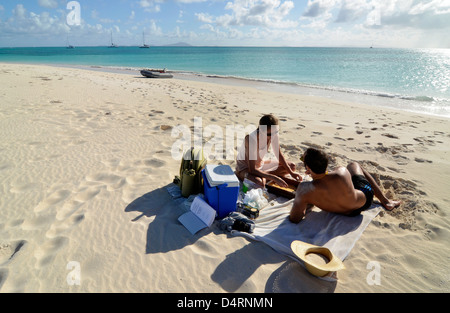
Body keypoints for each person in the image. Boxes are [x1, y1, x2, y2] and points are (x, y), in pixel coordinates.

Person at [289, 148, 402, 223]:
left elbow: (295, 218)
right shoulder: (341, 172)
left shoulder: (304, 189)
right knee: (353, 165)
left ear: (308, 168)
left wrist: (303, 200)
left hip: (337, 210)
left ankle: (386, 201)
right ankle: (385, 201)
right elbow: (329, 181)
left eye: (302, 159)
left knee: (353, 167)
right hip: (361, 204)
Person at [235, 114, 301, 188]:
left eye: (276, 132)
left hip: (260, 164)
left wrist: (291, 173)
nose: (273, 136)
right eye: (269, 134)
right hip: (246, 169)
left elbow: (278, 154)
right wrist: (274, 177)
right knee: (259, 183)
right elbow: (252, 170)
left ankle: (264, 175)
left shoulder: (273, 134)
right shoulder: (251, 139)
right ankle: (259, 176)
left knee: (292, 166)